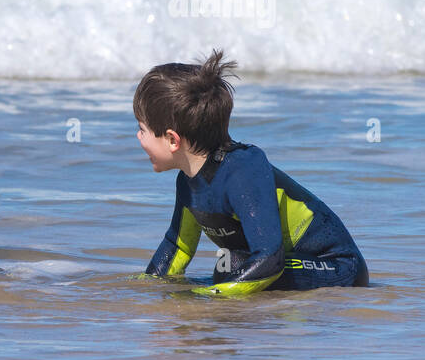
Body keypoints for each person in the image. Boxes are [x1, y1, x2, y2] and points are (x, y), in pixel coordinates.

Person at [135, 49, 368, 295]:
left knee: (229, 267)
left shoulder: (243, 170)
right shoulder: (187, 182)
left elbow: (270, 258)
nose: (138, 138)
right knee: (224, 269)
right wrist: (141, 290)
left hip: (338, 267)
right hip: (280, 263)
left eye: (142, 129)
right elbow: (178, 247)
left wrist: (209, 298)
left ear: (172, 139)